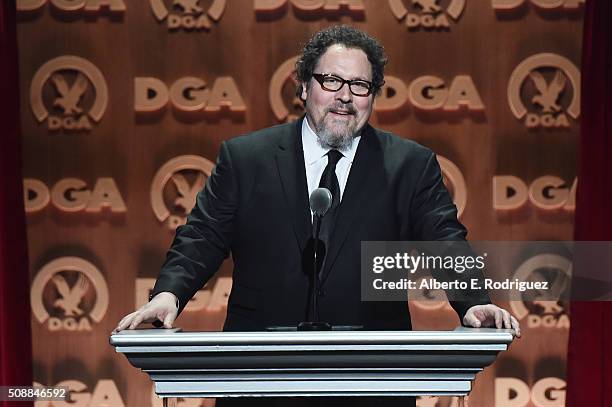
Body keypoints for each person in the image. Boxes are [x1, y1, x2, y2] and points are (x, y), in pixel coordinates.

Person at [114, 25, 520, 407]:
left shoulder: (409, 165)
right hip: (258, 381)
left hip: (371, 383)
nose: (346, 96)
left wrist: (472, 302)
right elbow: (202, 237)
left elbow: (444, 239)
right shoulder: (247, 159)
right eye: (332, 82)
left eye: (360, 85)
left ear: (373, 96)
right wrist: (169, 294)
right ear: (304, 87)